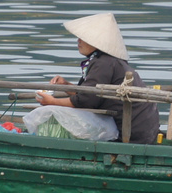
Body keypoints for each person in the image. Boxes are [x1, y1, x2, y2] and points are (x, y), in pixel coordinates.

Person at [35, 13, 160, 144]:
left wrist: (52, 102)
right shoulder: (107, 61)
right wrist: (65, 85)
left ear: (96, 41)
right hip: (143, 131)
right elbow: (90, 94)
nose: (78, 41)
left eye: (83, 38)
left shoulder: (104, 63)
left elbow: (86, 100)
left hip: (131, 133)